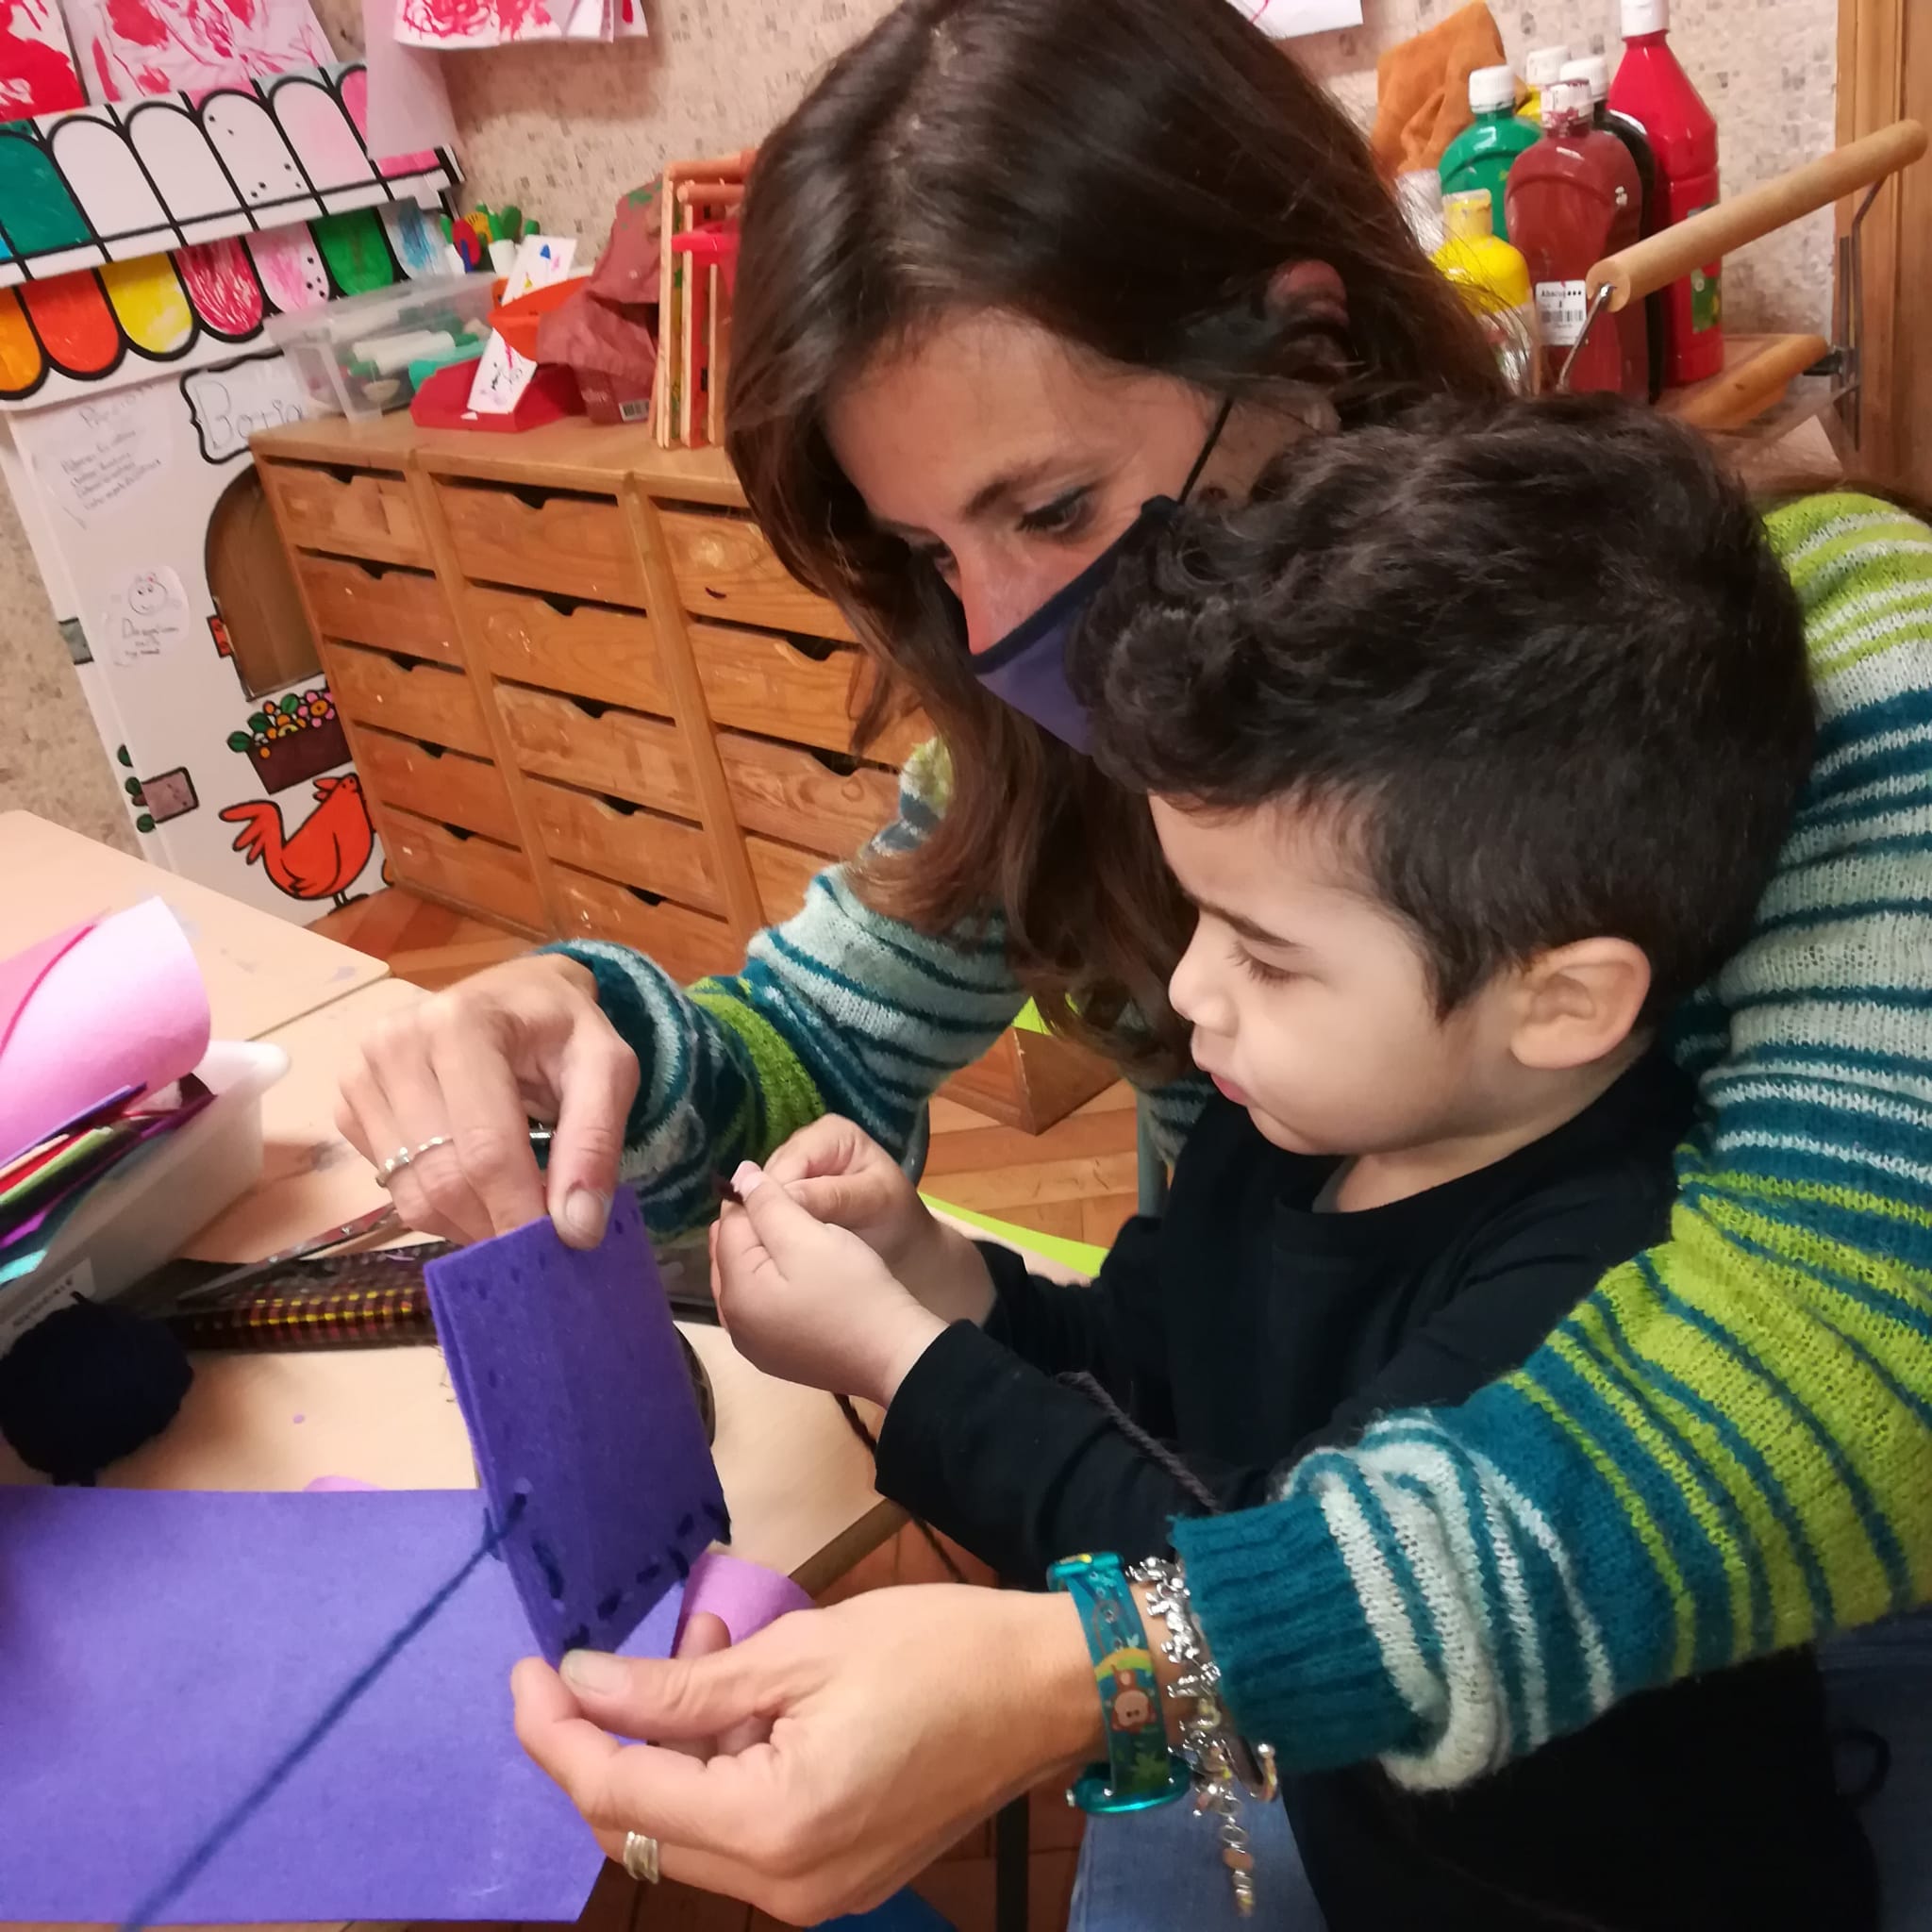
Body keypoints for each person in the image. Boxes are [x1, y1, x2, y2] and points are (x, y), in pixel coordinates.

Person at [340, 0, 1929, 1912]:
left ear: (1306, 344)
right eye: (933, 556)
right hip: (1266, 1625)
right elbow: (816, 1051)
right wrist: (590, 1041)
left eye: (1053, 508)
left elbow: (1843, 1360)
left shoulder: (1818, 650)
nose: (1003, 624)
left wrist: (1112, 1654)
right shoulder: (1114, 778)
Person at [687, 396, 1875, 1929]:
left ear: (1563, 1002)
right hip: (1379, 1853)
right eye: (1199, 919)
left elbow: (1231, 1576)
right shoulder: (1297, 1122)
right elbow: (1154, 1371)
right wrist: (945, 1282)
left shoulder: (1602, 1277)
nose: (1190, 993)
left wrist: (902, 1365)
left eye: (1265, 952)